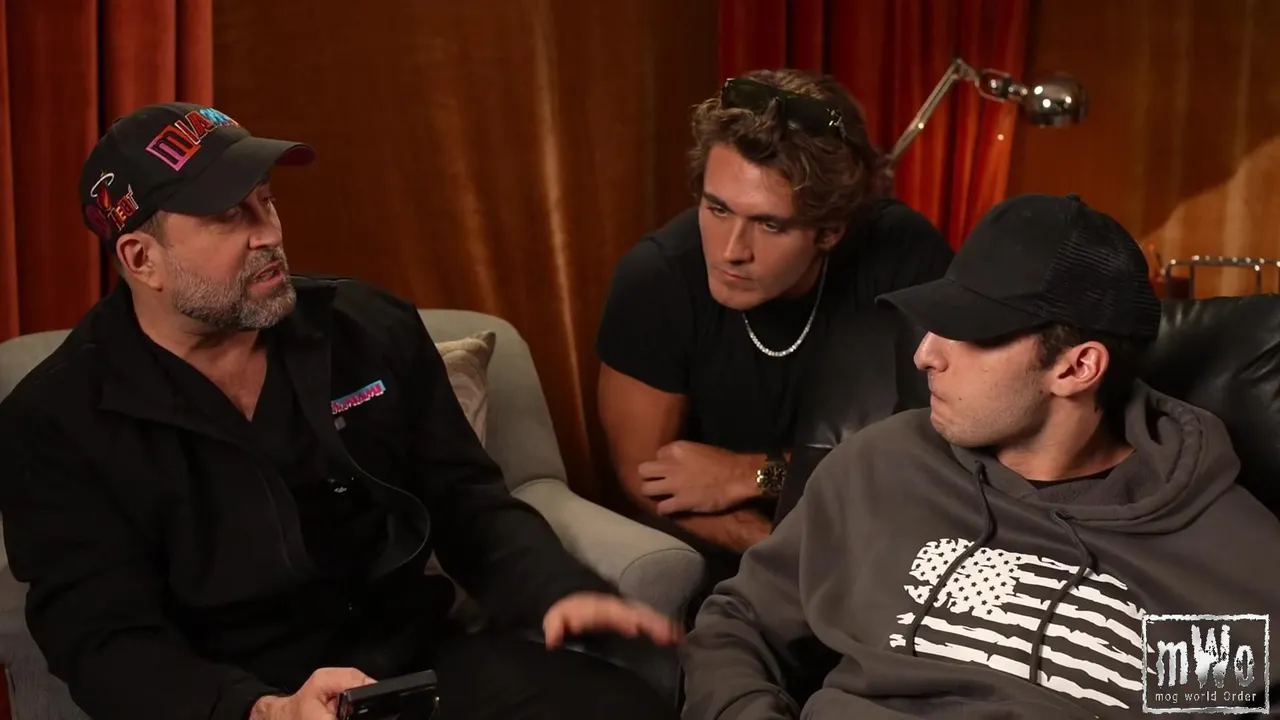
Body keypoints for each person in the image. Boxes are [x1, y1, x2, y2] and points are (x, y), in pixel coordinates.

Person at [0, 103, 681, 720]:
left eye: (266, 201)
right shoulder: (56, 421)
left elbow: (466, 500)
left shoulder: (367, 328)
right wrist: (264, 710)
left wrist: (555, 588)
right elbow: (103, 638)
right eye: (230, 216)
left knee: (623, 710)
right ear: (141, 257)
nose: (268, 234)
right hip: (238, 696)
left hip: (419, 664)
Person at [679, 194, 1280, 719]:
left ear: (1076, 367)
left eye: (968, 332)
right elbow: (739, 624)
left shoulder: (1227, 563)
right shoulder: (884, 468)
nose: (925, 355)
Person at [594, 69, 954, 591]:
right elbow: (645, 477)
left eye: (769, 224)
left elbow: (936, 446)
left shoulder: (902, 254)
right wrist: (785, 556)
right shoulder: (656, 278)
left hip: (882, 535)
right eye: (717, 209)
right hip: (729, 552)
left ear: (830, 231)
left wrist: (752, 473)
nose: (730, 251)